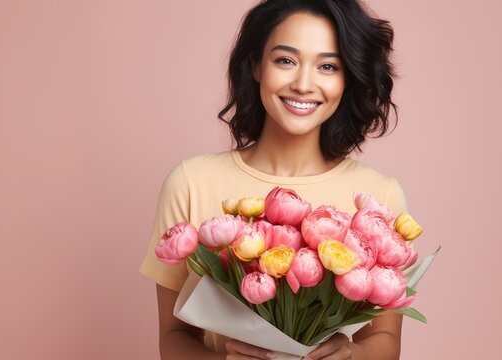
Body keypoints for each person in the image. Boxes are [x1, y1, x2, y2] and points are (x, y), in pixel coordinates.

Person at [139, 0, 408, 359]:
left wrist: (349, 357)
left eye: (328, 66)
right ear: (255, 66)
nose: (303, 83)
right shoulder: (190, 182)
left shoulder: (378, 197)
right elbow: (172, 335)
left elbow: (387, 342)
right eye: (286, 60)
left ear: (347, 79)